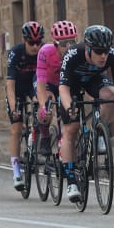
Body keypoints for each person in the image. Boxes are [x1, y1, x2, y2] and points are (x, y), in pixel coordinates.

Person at [57, 24, 114, 205]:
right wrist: (68, 107)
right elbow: (63, 88)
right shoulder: (73, 54)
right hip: (72, 83)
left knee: (111, 95)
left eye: (105, 51)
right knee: (71, 128)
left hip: (94, 80)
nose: (103, 56)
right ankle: (71, 180)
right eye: (98, 52)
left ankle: (98, 133)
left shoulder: (113, 55)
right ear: (88, 48)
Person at [3, 22, 44, 190]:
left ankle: (37, 137)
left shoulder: (43, 52)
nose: (35, 46)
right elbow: (10, 84)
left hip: (34, 84)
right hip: (17, 88)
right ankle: (16, 170)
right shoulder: (16, 53)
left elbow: (44, 80)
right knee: (16, 128)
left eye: (38, 42)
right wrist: (13, 108)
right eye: (31, 43)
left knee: (40, 105)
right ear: (24, 41)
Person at [34, 20, 77, 154]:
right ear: (55, 44)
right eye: (64, 44)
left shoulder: (77, 52)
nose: (69, 47)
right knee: (47, 105)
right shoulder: (45, 52)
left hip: (66, 84)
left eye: (72, 42)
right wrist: (42, 106)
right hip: (49, 83)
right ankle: (45, 135)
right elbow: (40, 82)